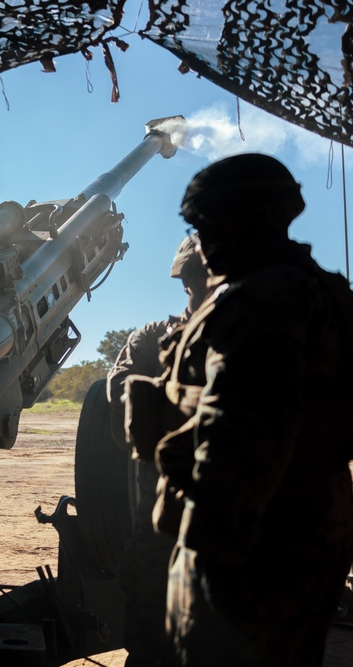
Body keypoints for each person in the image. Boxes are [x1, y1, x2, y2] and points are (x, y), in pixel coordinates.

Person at [142, 153, 353, 666]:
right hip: (302, 532)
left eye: (204, 225)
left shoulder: (260, 300)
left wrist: (205, 563)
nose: (201, 242)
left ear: (239, 222)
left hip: (252, 549)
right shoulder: (317, 287)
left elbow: (241, 438)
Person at [106, 235, 210, 667]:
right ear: (185, 281)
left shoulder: (247, 330)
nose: (203, 285)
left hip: (232, 498)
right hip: (163, 499)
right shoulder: (155, 337)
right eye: (196, 276)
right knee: (150, 591)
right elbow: (118, 389)